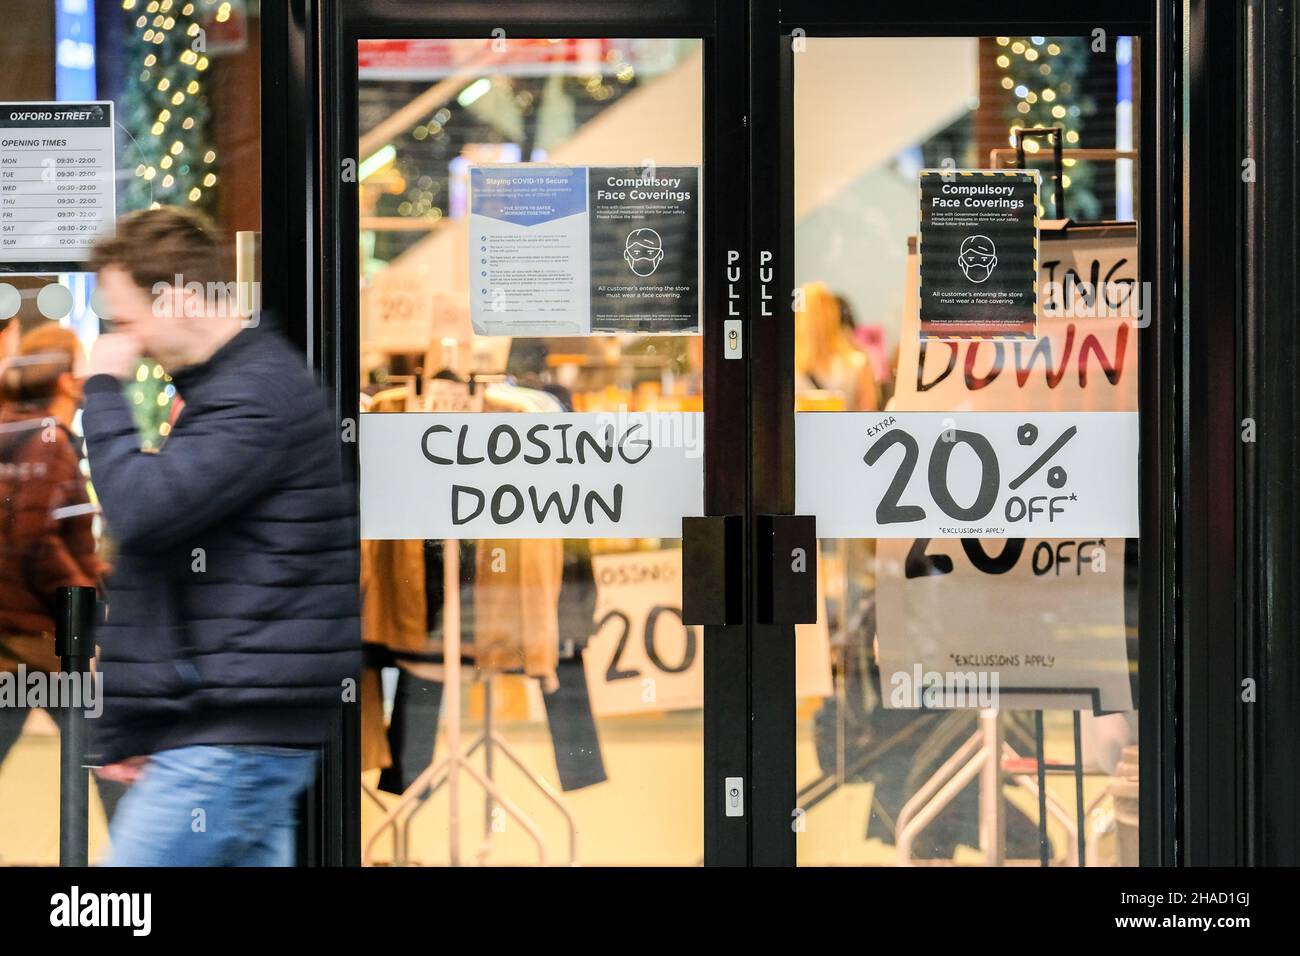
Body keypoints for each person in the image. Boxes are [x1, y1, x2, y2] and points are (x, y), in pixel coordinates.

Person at [83, 207, 360, 866]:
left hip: (232, 739)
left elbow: (142, 510)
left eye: (127, 320)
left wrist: (101, 389)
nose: (126, 341)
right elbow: (175, 546)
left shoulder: (254, 395)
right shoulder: (233, 387)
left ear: (178, 298)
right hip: (233, 730)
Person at [0, 326, 114, 801]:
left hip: (18, 640)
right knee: (109, 761)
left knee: (107, 758)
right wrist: (83, 595)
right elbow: (36, 541)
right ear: (67, 380)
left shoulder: (18, 432)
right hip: (39, 643)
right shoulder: (49, 441)